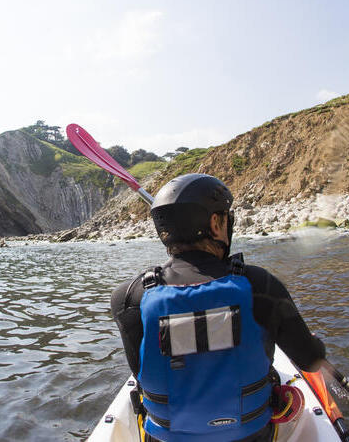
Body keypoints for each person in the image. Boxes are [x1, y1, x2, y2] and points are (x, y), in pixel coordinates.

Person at [110, 174, 326, 442]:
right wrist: (315, 345)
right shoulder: (261, 285)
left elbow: (140, 373)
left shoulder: (128, 297)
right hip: (252, 435)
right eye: (226, 216)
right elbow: (311, 361)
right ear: (215, 223)